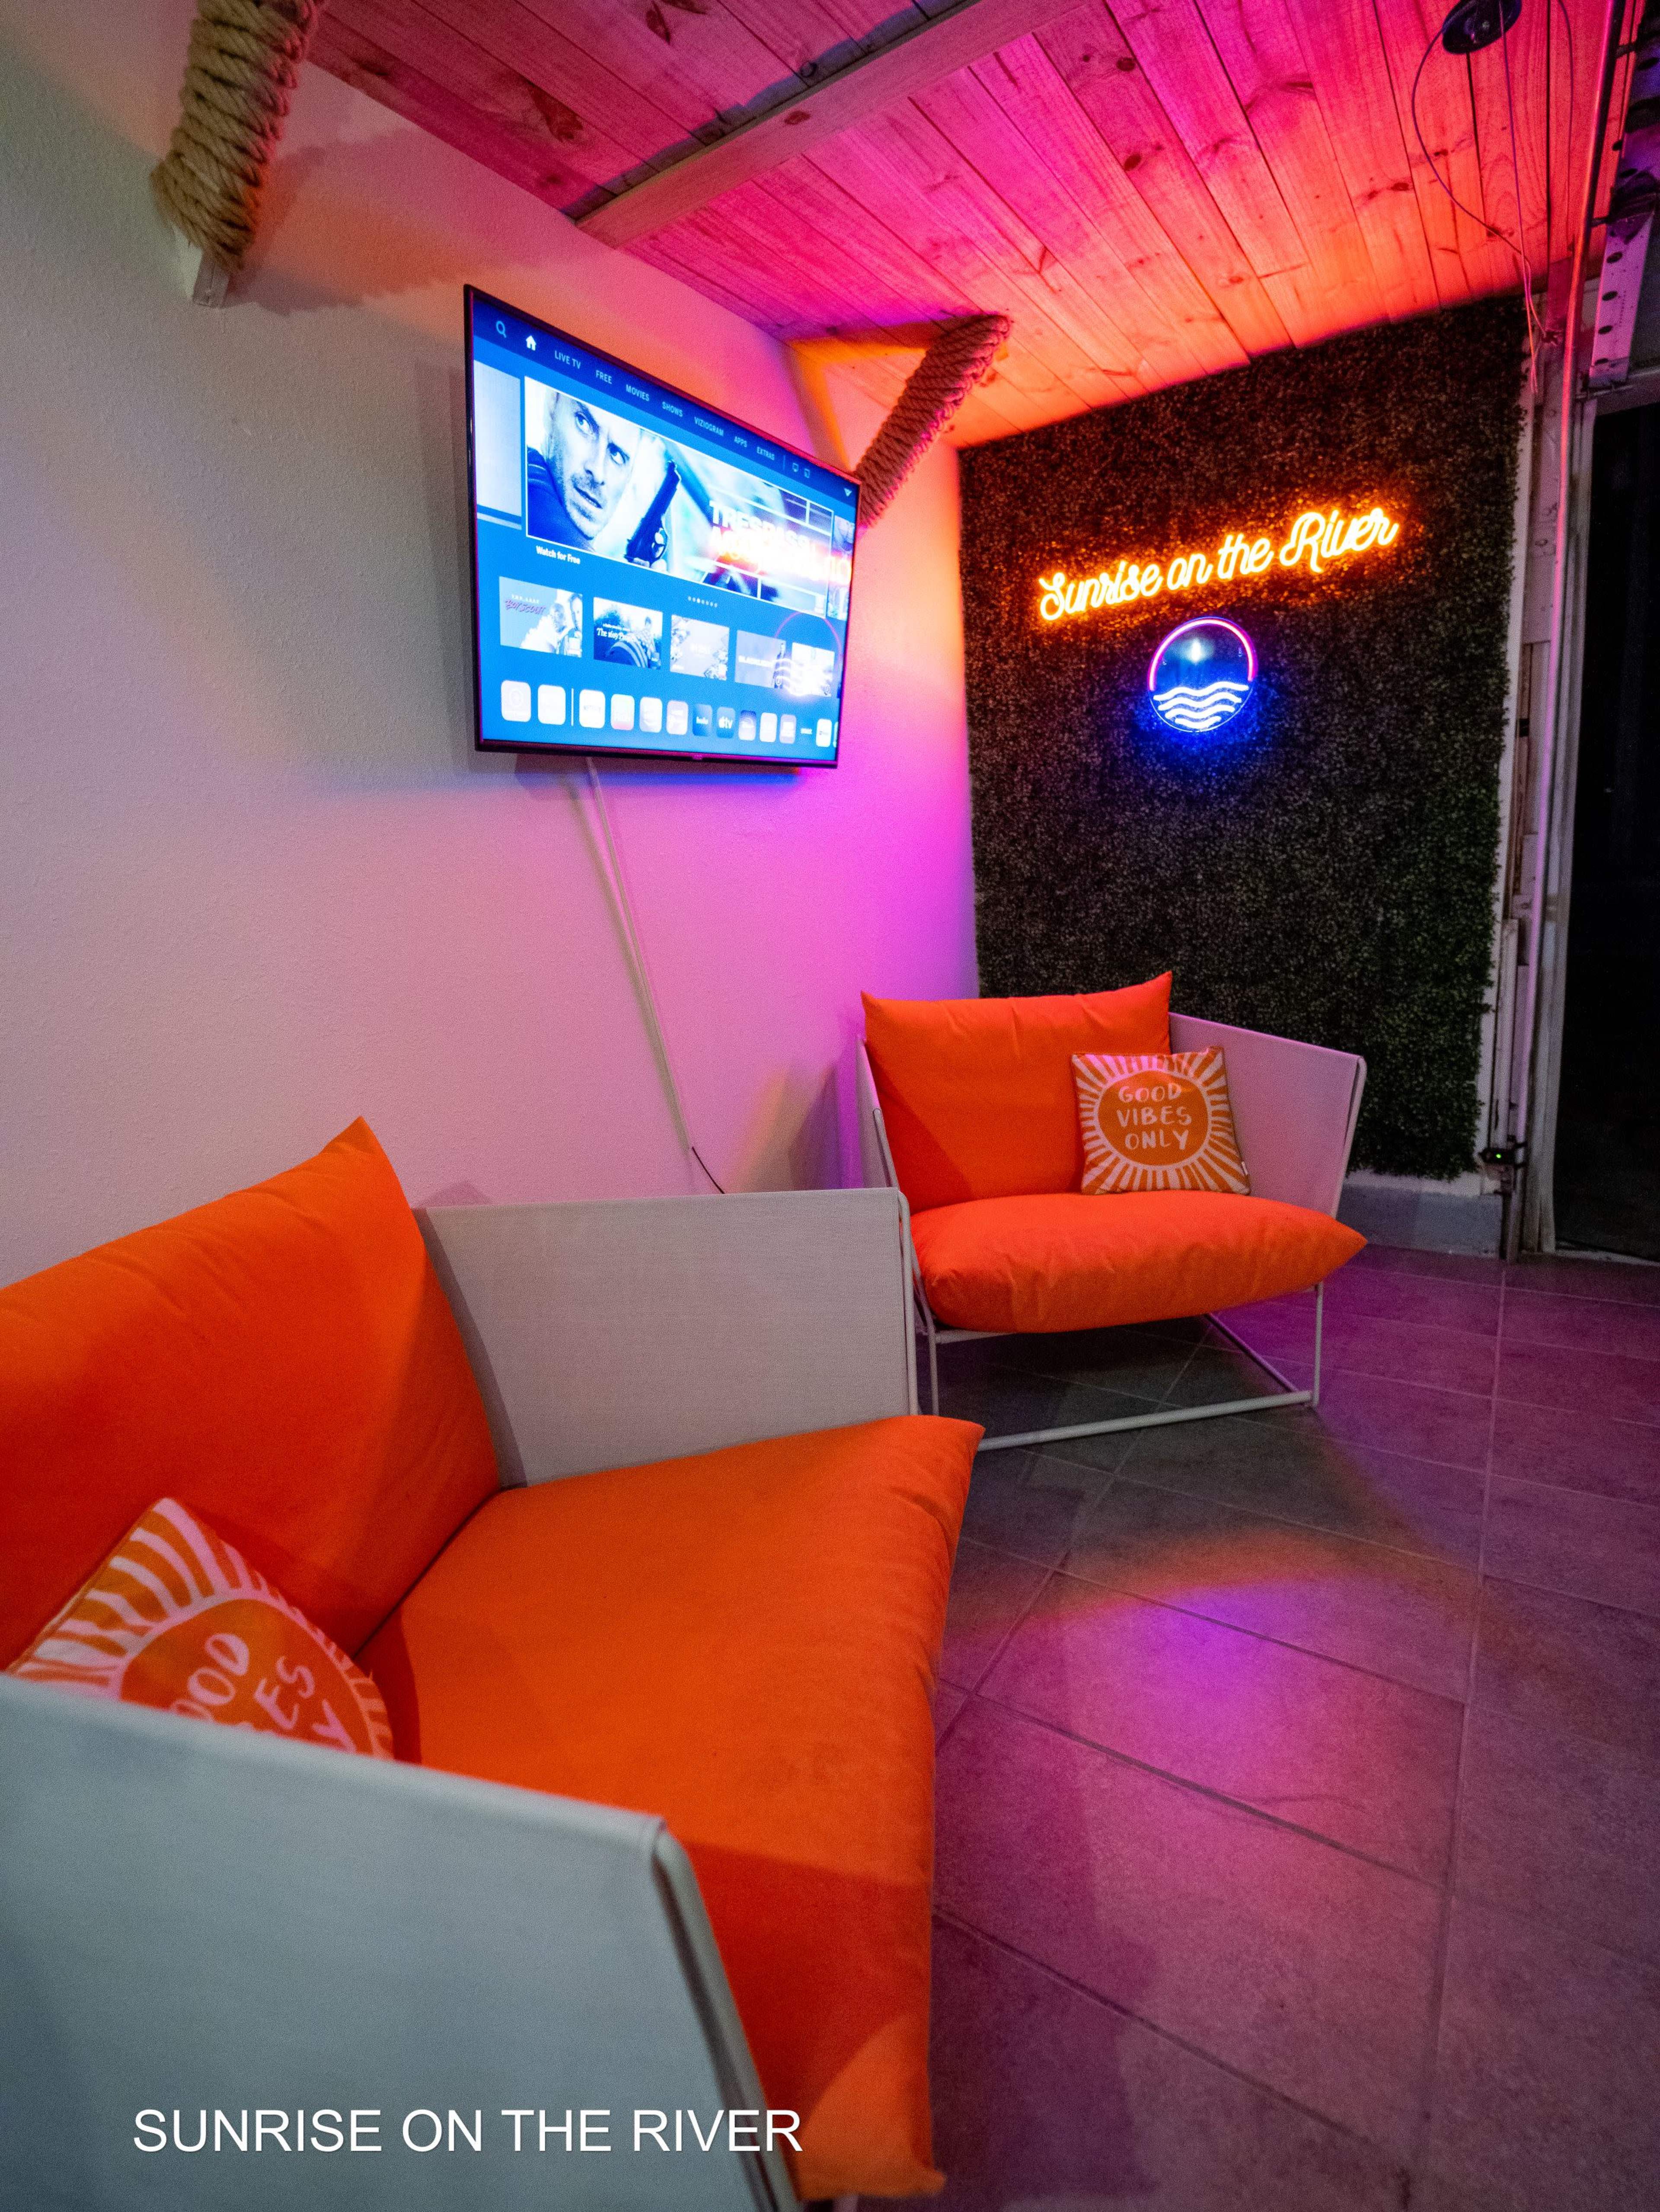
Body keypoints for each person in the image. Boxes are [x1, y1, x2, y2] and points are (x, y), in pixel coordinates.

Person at [527, 391, 643, 550]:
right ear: (552, 408)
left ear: (630, 476)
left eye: (617, 456)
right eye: (583, 423)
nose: (598, 472)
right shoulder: (528, 485)